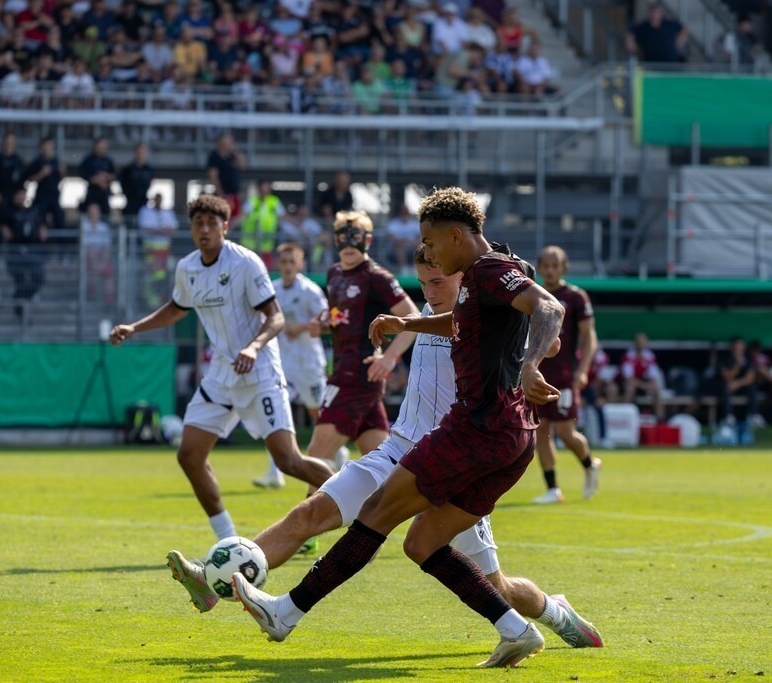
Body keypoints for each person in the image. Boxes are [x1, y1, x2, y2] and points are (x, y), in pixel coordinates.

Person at [167, 246, 603, 655]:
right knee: (308, 514)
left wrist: (531, 352)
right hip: (399, 450)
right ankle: (214, 580)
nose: (428, 294)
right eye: (423, 284)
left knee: (496, 585)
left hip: (455, 465)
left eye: (436, 283)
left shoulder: (487, 323)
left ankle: (555, 612)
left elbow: (551, 337)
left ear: (465, 279)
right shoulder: (431, 317)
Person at [233, 186, 566, 668]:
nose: (426, 253)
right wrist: (406, 324)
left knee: (377, 510)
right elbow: (466, 323)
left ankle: (286, 612)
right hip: (513, 436)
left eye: (430, 242)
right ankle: (516, 630)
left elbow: (550, 309)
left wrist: (532, 362)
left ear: (456, 235)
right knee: (422, 542)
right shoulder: (483, 274)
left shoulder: (490, 270)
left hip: (476, 428)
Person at [108, 195, 335, 540]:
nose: (204, 229)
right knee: (189, 455)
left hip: (259, 372)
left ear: (225, 227)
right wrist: (135, 327)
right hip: (221, 375)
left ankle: (359, 501)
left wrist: (253, 347)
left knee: (289, 462)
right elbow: (176, 307)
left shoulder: (245, 262)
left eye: (212, 223)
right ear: (191, 228)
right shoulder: (188, 268)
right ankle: (228, 540)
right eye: (198, 223)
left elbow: (275, 317)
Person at [305, 210, 418, 482]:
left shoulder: (375, 276)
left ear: (366, 241)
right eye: (342, 237)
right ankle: (401, 512)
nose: (348, 244)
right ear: (335, 240)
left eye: (355, 237)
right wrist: (323, 324)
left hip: (357, 374)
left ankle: (311, 520)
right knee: (383, 465)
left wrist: (389, 358)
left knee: (317, 454)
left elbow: (413, 317)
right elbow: (344, 318)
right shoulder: (334, 274)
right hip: (347, 371)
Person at [253, 242, 332, 489]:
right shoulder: (272, 290)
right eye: (283, 262)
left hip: (308, 363)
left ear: (300, 264)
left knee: (317, 413)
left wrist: (303, 326)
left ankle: (334, 453)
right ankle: (274, 472)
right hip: (281, 363)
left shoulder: (309, 290)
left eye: (292, 262)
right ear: (278, 264)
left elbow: (327, 318)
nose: (287, 267)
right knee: (275, 413)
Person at [531, 245, 601, 504]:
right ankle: (552, 489)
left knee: (565, 430)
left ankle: (589, 463)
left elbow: (588, 336)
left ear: (563, 268)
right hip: (538, 373)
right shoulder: (533, 295)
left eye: (554, 266)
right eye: (545, 266)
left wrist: (583, 370)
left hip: (565, 375)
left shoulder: (575, 297)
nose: (549, 271)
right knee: (541, 431)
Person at [1, 186, 48, 320]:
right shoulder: (8, 212)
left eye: (23, 195)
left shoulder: (33, 212)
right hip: (15, 253)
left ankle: (21, 297)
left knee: (39, 278)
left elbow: (41, 223)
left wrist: (43, 228)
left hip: (32, 251)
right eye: (19, 195)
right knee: (21, 280)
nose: (21, 198)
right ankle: (19, 308)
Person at [137, 193, 178, 307]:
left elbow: (173, 229)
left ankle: (161, 300)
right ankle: (149, 301)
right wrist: (162, 231)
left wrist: (157, 231)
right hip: (150, 250)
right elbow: (146, 228)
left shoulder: (168, 213)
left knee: (163, 277)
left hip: (164, 250)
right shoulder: (145, 211)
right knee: (149, 276)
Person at [719, 336, 757, 443]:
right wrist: (737, 365)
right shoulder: (725, 359)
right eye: (736, 349)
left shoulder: (748, 359)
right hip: (729, 387)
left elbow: (750, 377)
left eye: (740, 348)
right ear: (732, 349)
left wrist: (738, 383)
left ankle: (752, 416)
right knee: (725, 387)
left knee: (752, 387)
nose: (738, 351)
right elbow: (727, 377)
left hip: (741, 386)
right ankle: (729, 417)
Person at [24, 137, 66, 232]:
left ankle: (62, 244)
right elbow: (28, 179)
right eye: (46, 146)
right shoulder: (37, 162)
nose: (48, 149)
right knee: (39, 222)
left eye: (50, 147)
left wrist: (62, 172)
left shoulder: (56, 162)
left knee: (60, 219)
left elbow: (61, 179)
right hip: (41, 197)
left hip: (54, 196)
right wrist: (41, 174)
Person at [239, 179, 283, 267]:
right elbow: (241, 216)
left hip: (267, 244)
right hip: (249, 244)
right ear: (259, 190)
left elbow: (284, 217)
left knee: (267, 269)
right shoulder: (252, 201)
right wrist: (229, 226)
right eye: (262, 189)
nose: (264, 191)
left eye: (266, 188)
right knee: (249, 268)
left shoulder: (274, 201)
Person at [621, 332, 664, 421]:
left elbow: (653, 376)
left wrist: (645, 385)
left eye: (642, 341)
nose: (640, 344)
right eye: (638, 341)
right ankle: (624, 415)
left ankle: (660, 418)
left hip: (640, 384)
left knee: (656, 387)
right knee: (630, 387)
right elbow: (628, 378)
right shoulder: (628, 355)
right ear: (634, 343)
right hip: (628, 384)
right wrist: (642, 385)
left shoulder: (649, 356)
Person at [0, 132, 25, 228]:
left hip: (13, 195)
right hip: (0, 192)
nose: (9, 145)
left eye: (11, 143)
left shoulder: (19, 161)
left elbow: (23, 181)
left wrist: (20, 194)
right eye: (7, 143)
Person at [206, 133, 246, 222]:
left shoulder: (232, 156)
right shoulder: (214, 156)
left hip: (234, 195)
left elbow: (243, 166)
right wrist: (221, 194)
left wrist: (236, 152)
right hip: (222, 195)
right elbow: (213, 176)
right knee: (220, 218)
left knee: (235, 218)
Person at [80, 203, 113, 305]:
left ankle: (108, 300)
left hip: (101, 257)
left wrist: (102, 262)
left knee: (109, 271)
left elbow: (107, 248)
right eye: (92, 213)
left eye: (96, 212)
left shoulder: (104, 227)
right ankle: (91, 297)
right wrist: (94, 262)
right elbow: (86, 247)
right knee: (89, 270)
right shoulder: (84, 226)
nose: (94, 215)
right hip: (88, 257)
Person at [79, 137, 115, 216]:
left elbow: (114, 175)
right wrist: (96, 179)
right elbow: (83, 174)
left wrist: (107, 177)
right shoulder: (88, 160)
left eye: (104, 147)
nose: (102, 149)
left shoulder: (108, 161)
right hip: (92, 194)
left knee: (105, 216)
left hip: (104, 194)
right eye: (100, 147)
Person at [119, 143, 153, 219]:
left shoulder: (148, 169)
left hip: (143, 203)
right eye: (139, 152)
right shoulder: (128, 169)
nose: (140, 155)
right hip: (130, 204)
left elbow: (149, 183)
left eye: (143, 153)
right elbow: (123, 184)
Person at [384, 202, 419, 274]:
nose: (405, 213)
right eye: (403, 211)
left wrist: (414, 242)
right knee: (399, 246)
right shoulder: (393, 223)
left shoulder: (414, 224)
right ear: (400, 212)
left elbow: (419, 237)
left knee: (419, 246)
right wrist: (404, 241)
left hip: (411, 248)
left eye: (406, 211)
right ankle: (404, 269)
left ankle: (415, 268)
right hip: (395, 251)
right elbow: (391, 237)